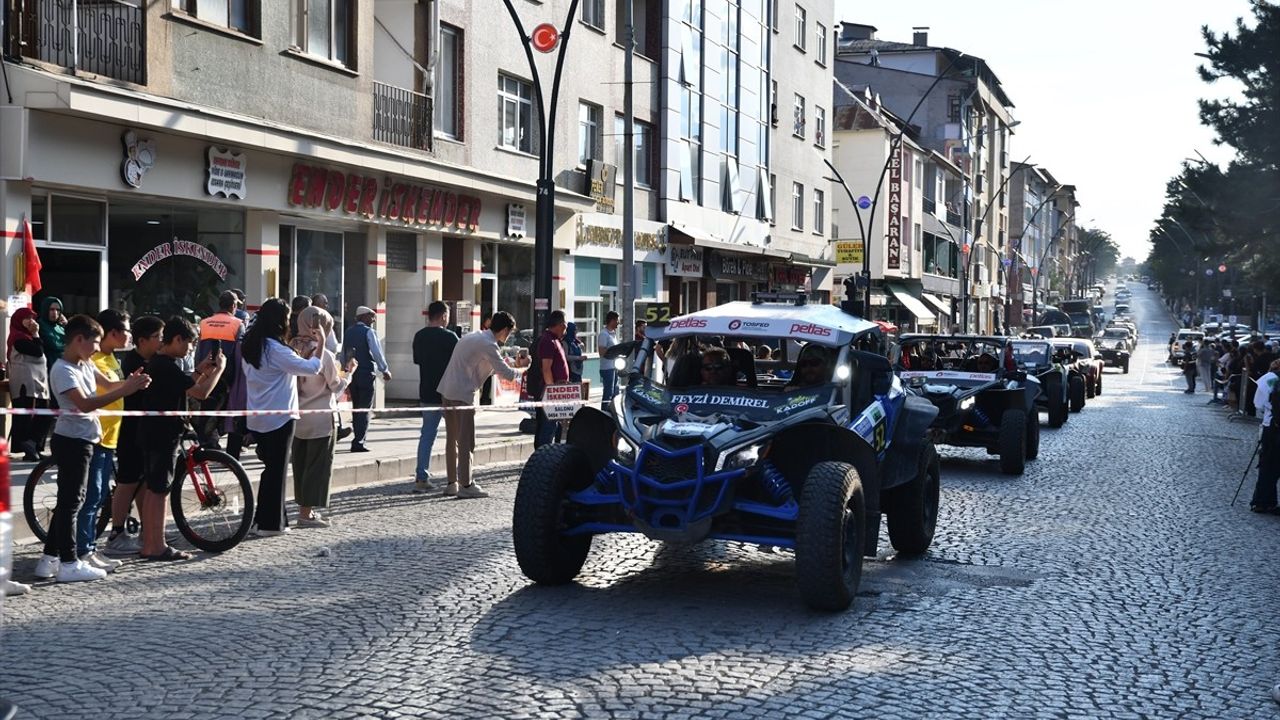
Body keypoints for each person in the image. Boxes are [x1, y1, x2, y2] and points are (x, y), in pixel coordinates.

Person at [32, 315, 150, 583]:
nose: (97, 348)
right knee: (72, 502)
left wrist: (129, 383)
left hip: (86, 439)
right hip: (72, 440)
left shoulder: (83, 364)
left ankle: (49, 559)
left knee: (70, 501)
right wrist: (126, 390)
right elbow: (84, 404)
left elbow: (108, 385)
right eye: (94, 342)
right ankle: (69, 562)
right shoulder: (62, 369)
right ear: (78, 340)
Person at [137, 317, 225, 561]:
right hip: (162, 434)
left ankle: (151, 542)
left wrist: (201, 372)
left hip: (155, 432)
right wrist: (218, 371)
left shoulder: (162, 363)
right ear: (177, 340)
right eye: (190, 343)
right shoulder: (165, 365)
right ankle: (156, 545)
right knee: (159, 491)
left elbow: (188, 383)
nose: (191, 349)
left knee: (155, 489)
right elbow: (201, 392)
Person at [242, 299, 323, 535]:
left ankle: (264, 520)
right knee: (276, 472)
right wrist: (322, 342)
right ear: (281, 321)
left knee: (270, 470)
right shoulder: (274, 348)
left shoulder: (251, 345)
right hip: (280, 416)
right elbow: (311, 368)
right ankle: (270, 524)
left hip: (258, 414)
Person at [436, 311, 529, 498]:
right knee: (466, 441)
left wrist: (512, 364)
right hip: (463, 394)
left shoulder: (475, 336)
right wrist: (525, 368)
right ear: (504, 330)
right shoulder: (489, 344)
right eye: (509, 333)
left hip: (447, 390)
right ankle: (466, 484)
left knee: (451, 440)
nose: (508, 337)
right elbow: (507, 374)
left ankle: (452, 482)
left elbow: (490, 364)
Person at [102, 314, 164, 556]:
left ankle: (148, 529)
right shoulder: (132, 362)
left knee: (143, 482)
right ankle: (116, 532)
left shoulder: (150, 360)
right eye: (157, 337)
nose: (161, 341)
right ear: (142, 340)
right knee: (127, 482)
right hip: (129, 430)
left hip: (142, 430)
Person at [75, 309, 132, 569]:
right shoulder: (94, 360)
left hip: (111, 436)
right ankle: (83, 549)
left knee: (97, 498)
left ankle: (89, 548)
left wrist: (131, 383)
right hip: (95, 435)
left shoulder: (111, 359)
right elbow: (97, 397)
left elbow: (113, 387)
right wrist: (128, 386)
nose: (129, 336)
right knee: (91, 498)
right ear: (113, 333)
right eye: (126, 330)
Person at [289, 306, 352, 528]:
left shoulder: (291, 348)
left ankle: (301, 509)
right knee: (317, 466)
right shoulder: (324, 354)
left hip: (298, 416)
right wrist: (350, 373)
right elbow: (336, 386)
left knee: (300, 465)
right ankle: (306, 514)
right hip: (322, 417)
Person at [412, 301, 458, 493]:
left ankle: (421, 477)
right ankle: (455, 478)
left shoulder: (419, 336)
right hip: (448, 392)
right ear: (443, 316)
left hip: (427, 391)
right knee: (455, 436)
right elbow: (458, 363)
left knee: (427, 435)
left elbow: (417, 360)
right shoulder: (450, 337)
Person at [195, 291, 244, 447]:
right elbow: (240, 354)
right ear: (234, 305)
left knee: (207, 407)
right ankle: (218, 443)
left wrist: (198, 371)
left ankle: (207, 440)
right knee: (228, 412)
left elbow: (198, 349)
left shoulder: (205, 322)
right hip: (226, 375)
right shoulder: (238, 324)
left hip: (206, 371)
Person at [342, 305, 391, 452]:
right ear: (363, 316)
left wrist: (345, 371)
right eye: (371, 315)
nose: (374, 318)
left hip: (352, 375)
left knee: (356, 408)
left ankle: (358, 438)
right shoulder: (369, 332)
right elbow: (377, 353)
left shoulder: (349, 332)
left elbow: (344, 353)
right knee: (364, 408)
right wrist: (385, 370)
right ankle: (359, 441)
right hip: (366, 374)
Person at [8, 307, 51, 462]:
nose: (31, 321)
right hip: (26, 384)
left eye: (32, 318)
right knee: (27, 417)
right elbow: (38, 351)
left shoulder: (27, 336)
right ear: (19, 320)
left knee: (44, 413)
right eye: (27, 318)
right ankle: (28, 447)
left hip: (38, 383)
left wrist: (35, 335)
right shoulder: (18, 338)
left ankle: (35, 446)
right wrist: (35, 334)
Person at [309, 293, 351, 442]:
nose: (327, 306)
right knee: (330, 396)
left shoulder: (302, 324)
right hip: (321, 369)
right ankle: (337, 429)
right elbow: (332, 346)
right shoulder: (324, 322)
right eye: (324, 303)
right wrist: (348, 374)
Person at [529, 310, 570, 448]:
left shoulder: (555, 340)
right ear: (559, 325)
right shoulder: (548, 341)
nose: (565, 329)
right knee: (547, 429)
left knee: (554, 427)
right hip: (550, 393)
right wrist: (552, 392)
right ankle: (541, 461)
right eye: (564, 326)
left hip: (556, 392)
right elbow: (546, 369)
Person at [1250, 358, 1280, 514]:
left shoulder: (1268, 379)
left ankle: (1263, 501)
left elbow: (1258, 404)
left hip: (1272, 426)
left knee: (1268, 465)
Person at [37, 296, 67, 369]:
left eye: (58, 310)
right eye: (51, 309)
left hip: (63, 366)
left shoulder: (60, 327)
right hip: (49, 366)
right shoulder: (40, 325)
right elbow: (54, 344)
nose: (55, 313)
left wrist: (67, 326)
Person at [598, 311, 620, 405]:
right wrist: (614, 351)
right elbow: (601, 351)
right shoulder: (604, 334)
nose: (618, 323)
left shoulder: (613, 334)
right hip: (607, 368)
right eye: (617, 321)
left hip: (614, 366)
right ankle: (605, 410)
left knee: (615, 391)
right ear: (612, 320)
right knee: (608, 392)